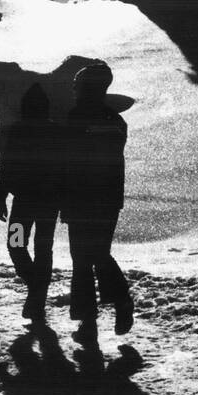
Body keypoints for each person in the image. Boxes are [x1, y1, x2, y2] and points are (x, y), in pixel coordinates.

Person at [62, 62, 134, 340]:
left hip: (81, 197)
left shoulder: (77, 117)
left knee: (82, 258)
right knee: (98, 253)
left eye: (77, 85)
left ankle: (89, 320)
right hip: (108, 199)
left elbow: (67, 161)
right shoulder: (116, 122)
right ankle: (117, 303)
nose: (74, 89)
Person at [0, 83, 64, 322]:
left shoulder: (18, 130)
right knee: (43, 248)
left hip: (23, 201)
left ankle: (35, 289)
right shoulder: (57, 131)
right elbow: (65, 169)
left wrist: (0, 197)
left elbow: (6, 166)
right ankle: (38, 293)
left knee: (16, 244)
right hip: (49, 202)